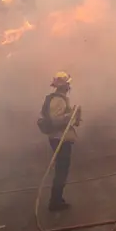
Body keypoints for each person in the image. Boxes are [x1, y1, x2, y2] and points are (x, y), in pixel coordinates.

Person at [41, 71, 81, 211]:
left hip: (60, 138)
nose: (69, 87)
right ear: (64, 86)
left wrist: (74, 118)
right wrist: (72, 115)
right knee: (61, 170)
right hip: (60, 139)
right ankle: (55, 201)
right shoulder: (58, 100)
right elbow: (57, 120)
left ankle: (58, 199)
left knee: (62, 169)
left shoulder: (60, 98)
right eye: (67, 84)